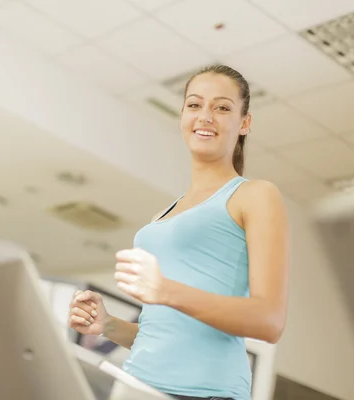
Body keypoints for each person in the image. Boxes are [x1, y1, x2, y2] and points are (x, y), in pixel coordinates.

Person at [68, 64, 290, 400]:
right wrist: (108, 325)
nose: (205, 116)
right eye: (194, 105)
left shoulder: (255, 195)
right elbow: (166, 331)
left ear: (244, 123)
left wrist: (165, 289)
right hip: (135, 385)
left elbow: (269, 321)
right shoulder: (161, 217)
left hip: (205, 391)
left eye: (222, 108)